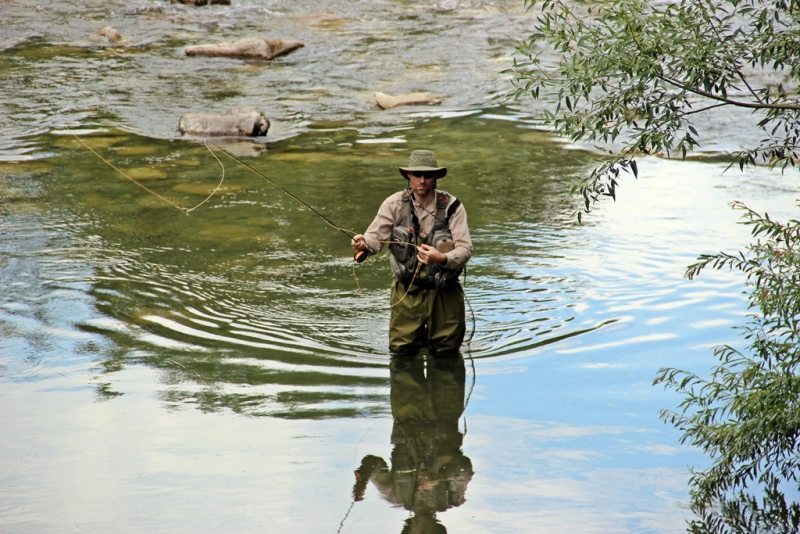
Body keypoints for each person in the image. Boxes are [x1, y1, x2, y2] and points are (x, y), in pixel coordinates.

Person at [351, 149, 473, 357]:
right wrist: (363, 243)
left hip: (445, 293)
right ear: (408, 175)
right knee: (402, 354)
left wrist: (441, 258)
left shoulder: (452, 207)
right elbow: (375, 239)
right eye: (417, 174)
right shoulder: (393, 204)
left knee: (446, 354)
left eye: (428, 175)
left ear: (436, 177)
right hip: (406, 293)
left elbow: (465, 248)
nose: (422, 180)